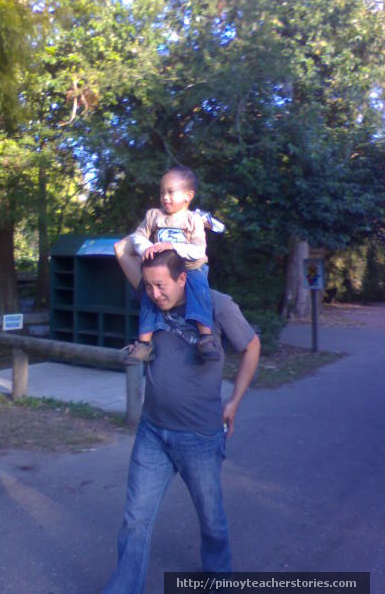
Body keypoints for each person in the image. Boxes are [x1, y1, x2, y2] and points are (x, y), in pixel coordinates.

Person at [102, 242, 260, 594]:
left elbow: (251, 347)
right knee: (135, 519)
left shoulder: (217, 305)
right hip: (152, 433)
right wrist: (149, 240)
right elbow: (121, 249)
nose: (154, 294)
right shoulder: (151, 300)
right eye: (148, 286)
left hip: (199, 436)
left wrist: (234, 401)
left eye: (161, 286)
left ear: (183, 278)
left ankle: (219, 579)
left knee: (211, 520)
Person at [126, 166, 220, 364]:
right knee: (148, 296)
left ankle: (205, 337)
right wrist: (147, 248)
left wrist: (173, 246)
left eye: (170, 192)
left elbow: (198, 251)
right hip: (161, 270)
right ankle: (144, 343)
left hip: (191, 267)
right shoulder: (154, 216)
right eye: (162, 192)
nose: (165, 197)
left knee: (200, 290)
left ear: (188, 196)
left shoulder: (193, 220)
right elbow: (137, 236)